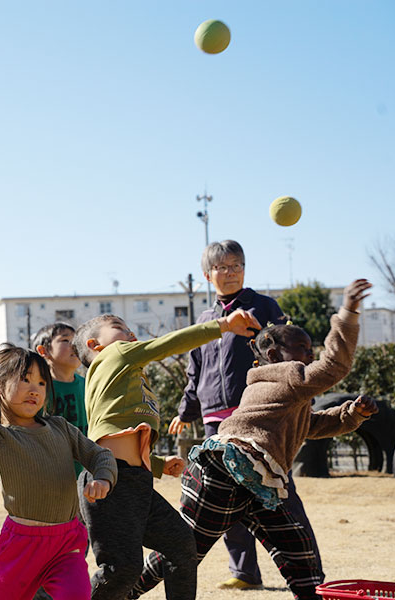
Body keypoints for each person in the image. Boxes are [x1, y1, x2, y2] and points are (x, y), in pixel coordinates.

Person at [133, 279, 378, 600]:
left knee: (299, 553)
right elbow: (334, 366)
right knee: (184, 552)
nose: (310, 354)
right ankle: (123, 591)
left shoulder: (279, 388)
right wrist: (347, 313)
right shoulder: (289, 375)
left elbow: (311, 425)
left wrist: (353, 413)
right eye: (303, 349)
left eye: (311, 349)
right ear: (275, 354)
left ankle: (311, 593)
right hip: (225, 475)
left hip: (257, 483)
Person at [73, 307, 261, 600]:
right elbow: (167, 344)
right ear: (95, 345)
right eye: (119, 327)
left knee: (182, 546)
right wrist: (221, 325)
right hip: (109, 481)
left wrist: (158, 465)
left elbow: (117, 431)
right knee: (122, 570)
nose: (129, 333)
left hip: (137, 481)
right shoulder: (116, 356)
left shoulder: (124, 377)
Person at [167, 240, 315, 591]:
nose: (229, 272)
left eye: (236, 265)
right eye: (221, 267)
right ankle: (244, 572)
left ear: (245, 270)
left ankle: (311, 574)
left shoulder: (263, 306)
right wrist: (185, 410)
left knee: (281, 492)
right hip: (214, 420)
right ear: (207, 275)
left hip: (257, 415)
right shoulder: (204, 321)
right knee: (224, 498)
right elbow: (196, 370)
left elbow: (286, 353)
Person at [0, 345, 118, 600]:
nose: (34, 389)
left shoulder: (60, 427)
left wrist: (103, 477)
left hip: (66, 542)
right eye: (24, 380)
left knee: (77, 595)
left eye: (41, 382)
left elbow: (99, 454)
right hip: (20, 546)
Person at [32, 322, 87, 477]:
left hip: (86, 473)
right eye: (65, 340)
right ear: (43, 351)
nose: (74, 345)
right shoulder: (37, 390)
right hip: (51, 474)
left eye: (76, 340)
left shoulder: (87, 384)